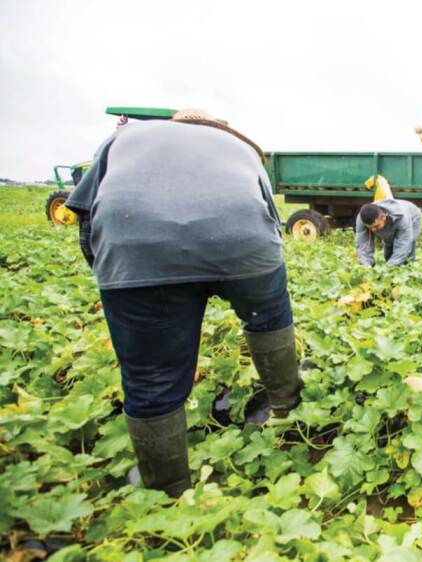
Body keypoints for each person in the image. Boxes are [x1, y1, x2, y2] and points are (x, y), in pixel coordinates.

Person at [64, 108, 303, 497]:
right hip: (244, 243)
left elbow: (87, 216)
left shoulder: (125, 138)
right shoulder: (239, 146)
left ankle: (167, 490)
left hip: (137, 245)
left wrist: (117, 280)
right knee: (268, 318)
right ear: (214, 126)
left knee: (151, 374)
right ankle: (286, 409)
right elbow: (269, 218)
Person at [355, 199, 422, 267]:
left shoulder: (402, 218)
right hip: (392, 218)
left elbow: (404, 244)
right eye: (370, 227)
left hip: (412, 215)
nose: (373, 230)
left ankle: (409, 268)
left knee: (409, 245)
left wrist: (389, 268)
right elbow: (363, 244)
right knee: (389, 244)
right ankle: (391, 265)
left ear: (384, 217)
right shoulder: (361, 219)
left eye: (376, 226)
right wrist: (366, 265)